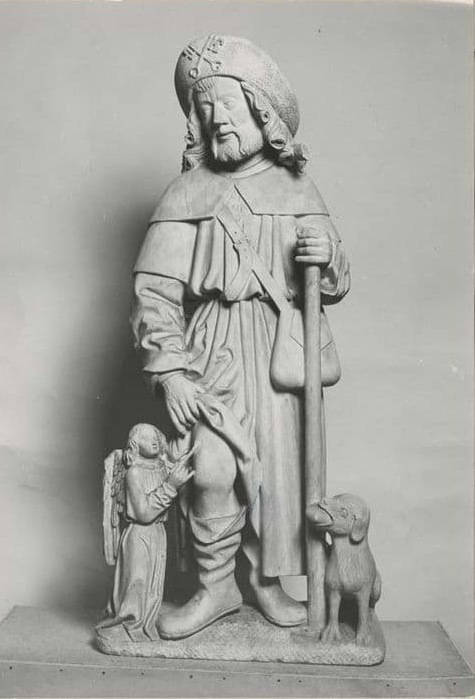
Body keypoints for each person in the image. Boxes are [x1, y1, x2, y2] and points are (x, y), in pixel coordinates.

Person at [131, 35, 350, 640]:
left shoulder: (297, 188)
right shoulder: (186, 193)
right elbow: (155, 291)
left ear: (261, 110)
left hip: (277, 349)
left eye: (227, 103)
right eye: (204, 108)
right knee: (209, 466)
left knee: (276, 475)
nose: (216, 118)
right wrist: (171, 371)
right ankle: (215, 586)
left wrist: (326, 255)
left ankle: (265, 582)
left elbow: (334, 280)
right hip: (210, 348)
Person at [98, 424, 194, 642]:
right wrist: (170, 486)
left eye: (155, 437)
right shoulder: (134, 472)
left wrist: (179, 473)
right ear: (134, 444)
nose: (153, 441)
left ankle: (145, 624)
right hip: (139, 535)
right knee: (137, 584)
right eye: (145, 437)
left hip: (158, 533)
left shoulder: (161, 467)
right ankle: (130, 624)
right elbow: (143, 513)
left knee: (152, 587)